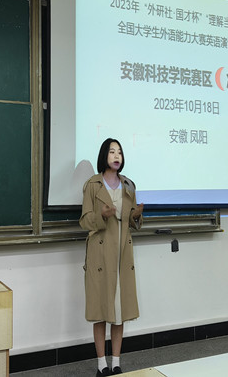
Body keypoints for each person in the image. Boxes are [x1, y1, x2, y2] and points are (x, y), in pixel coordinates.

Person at [80, 138, 144, 376]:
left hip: (122, 256)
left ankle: (116, 363)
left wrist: (136, 216)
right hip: (100, 255)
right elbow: (84, 221)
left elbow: (133, 222)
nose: (117, 156)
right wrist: (102, 215)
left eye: (119, 152)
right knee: (100, 311)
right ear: (103, 156)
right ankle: (101, 365)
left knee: (119, 311)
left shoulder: (129, 185)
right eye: (112, 152)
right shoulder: (92, 185)